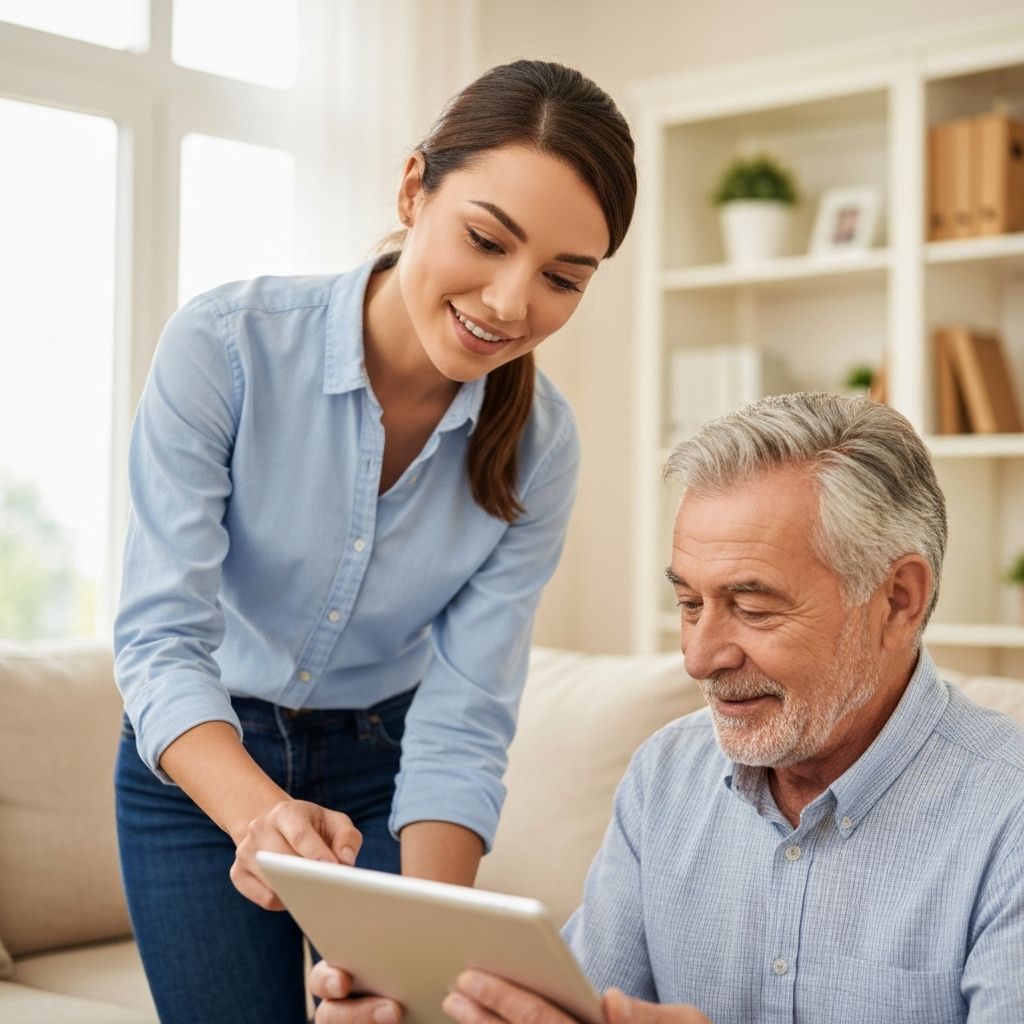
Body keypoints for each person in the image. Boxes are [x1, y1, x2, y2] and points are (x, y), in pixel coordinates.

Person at [113, 59, 637, 1024]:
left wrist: (423, 955)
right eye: (486, 239)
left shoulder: (542, 448)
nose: (511, 303)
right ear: (412, 190)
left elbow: (466, 714)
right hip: (204, 762)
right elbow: (159, 641)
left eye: (563, 278)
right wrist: (257, 815)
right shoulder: (225, 348)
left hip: (384, 768)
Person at [311, 392, 1024, 1024]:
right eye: (688, 604)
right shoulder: (666, 775)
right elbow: (579, 1004)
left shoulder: (1007, 817)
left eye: (752, 607)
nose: (700, 657)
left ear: (897, 600)